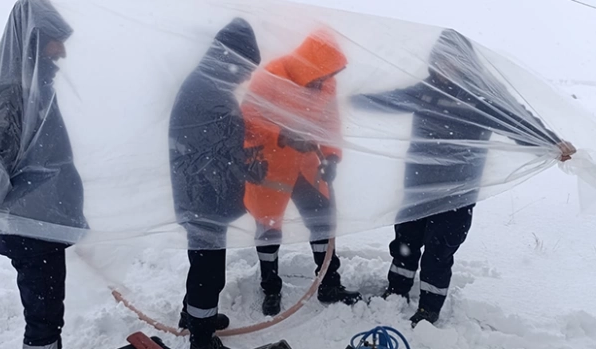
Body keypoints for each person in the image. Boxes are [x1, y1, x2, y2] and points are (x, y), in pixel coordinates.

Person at [352, 29, 576, 327]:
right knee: (405, 243)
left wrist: (550, 141)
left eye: (452, 60)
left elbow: (518, 121)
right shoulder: (426, 90)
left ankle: (429, 308)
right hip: (418, 185)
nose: (446, 66)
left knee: (438, 250)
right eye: (441, 60)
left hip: (457, 191)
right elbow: (389, 100)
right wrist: (348, 100)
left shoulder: (482, 98)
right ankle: (396, 291)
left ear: (466, 62)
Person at [0, 1, 87, 348]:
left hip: (42, 221)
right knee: (43, 318)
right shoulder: (8, 95)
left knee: (48, 313)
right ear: (34, 38)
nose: (62, 50)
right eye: (55, 40)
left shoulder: (37, 87)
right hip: (29, 227)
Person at [241, 28, 362, 317]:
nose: (325, 80)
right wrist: (282, 135)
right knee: (268, 228)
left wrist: (332, 157)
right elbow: (249, 118)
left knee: (323, 222)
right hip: (271, 166)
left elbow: (330, 123)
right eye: (322, 73)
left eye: (329, 75)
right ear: (310, 64)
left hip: (308, 167)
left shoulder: (327, 84)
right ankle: (270, 287)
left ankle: (329, 283)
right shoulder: (271, 75)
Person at [169, 18, 266, 349]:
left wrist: (247, 166)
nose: (248, 76)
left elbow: (222, 147)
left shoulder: (210, 87)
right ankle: (201, 336)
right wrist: (244, 166)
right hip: (203, 198)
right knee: (209, 273)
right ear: (231, 58)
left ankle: (194, 315)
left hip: (204, 196)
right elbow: (208, 155)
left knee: (203, 263)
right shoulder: (207, 92)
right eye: (246, 67)